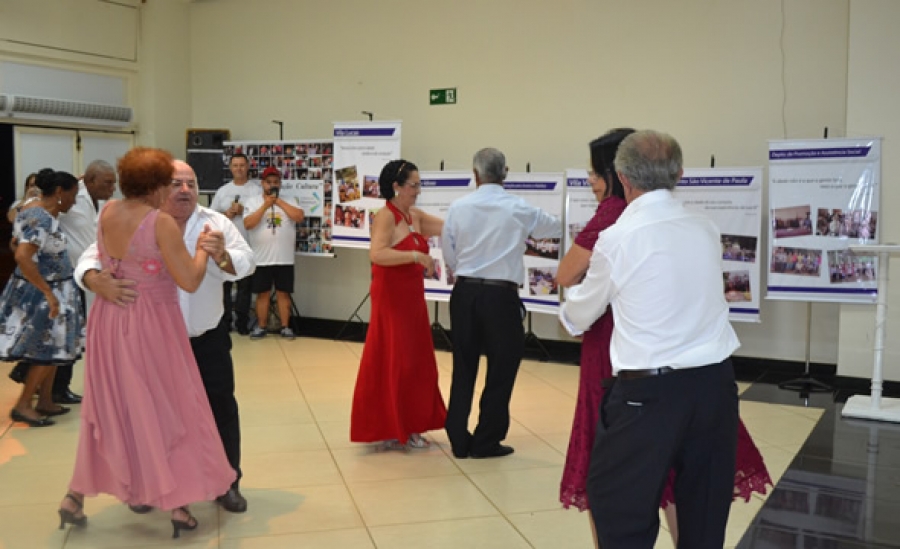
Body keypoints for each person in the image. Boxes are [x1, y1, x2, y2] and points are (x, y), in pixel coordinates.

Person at [557, 131, 774, 547]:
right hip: (714, 388)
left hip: (648, 395)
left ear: (622, 177)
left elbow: (581, 312)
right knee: (703, 513)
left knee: (620, 508)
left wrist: (569, 311)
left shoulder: (619, 237)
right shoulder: (705, 227)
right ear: (680, 174)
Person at [57, 148, 235, 538]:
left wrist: (97, 280)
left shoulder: (108, 211)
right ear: (156, 185)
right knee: (167, 408)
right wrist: (202, 252)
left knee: (114, 407)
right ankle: (175, 504)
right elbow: (189, 280)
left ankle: (75, 496)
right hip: (151, 324)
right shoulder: (160, 222)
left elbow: (102, 258)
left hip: (110, 321)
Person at [441, 148, 561, 459]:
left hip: (465, 293)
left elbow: (449, 252)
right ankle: (486, 440)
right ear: (505, 172)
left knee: (463, 365)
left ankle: (458, 437)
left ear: (475, 174)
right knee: (501, 368)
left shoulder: (458, 207)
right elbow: (553, 227)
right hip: (501, 296)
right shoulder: (518, 207)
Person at [557, 129, 633, 519]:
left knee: (604, 457)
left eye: (594, 172)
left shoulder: (611, 212)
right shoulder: (651, 210)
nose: (590, 180)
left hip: (608, 339)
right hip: (655, 346)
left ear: (614, 172)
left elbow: (566, 273)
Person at [350, 160, 447, 449]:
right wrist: (415, 257)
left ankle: (411, 422)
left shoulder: (415, 215)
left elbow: (450, 227)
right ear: (397, 186)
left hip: (412, 297)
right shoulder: (386, 216)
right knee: (397, 358)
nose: (418, 190)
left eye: (419, 184)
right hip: (391, 298)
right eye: (413, 185)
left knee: (416, 358)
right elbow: (377, 254)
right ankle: (397, 424)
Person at [0, 169, 84, 427]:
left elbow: (19, 241)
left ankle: (45, 400)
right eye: (72, 195)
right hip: (44, 292)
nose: (73, 201)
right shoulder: (41, 217)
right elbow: (23, 255)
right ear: (59, 192)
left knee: (54, 349)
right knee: (44, 350)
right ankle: (24, 405)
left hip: (52, 288)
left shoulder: (35, 208)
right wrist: (48, 292)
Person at [243, 166, 305, 339]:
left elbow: (299, 217)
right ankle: (261, 326)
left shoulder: (289, 200)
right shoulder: (253, 201)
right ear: (262, 184)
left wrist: (278, 202)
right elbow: (248, 224)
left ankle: (285, 327)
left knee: (283, 293)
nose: (272, 185)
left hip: (284, 258)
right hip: (261, 258)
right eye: (268, 182)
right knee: (262, 293)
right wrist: (266, 205)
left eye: (275, 182)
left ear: (280, 184)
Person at [210, 153, 260, 334]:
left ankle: (242, 323)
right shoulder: (223, 191)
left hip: (248, 246)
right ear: (230, 168)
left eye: (242, 165)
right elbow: (211, 216)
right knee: (224, 287)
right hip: (225, 248)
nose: (239, 169)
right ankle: (225, 322)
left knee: (245, 288)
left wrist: (243, 211)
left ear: (248, 167)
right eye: (235, 165)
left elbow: (261, 215)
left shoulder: (256, 190)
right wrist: (227, 215)